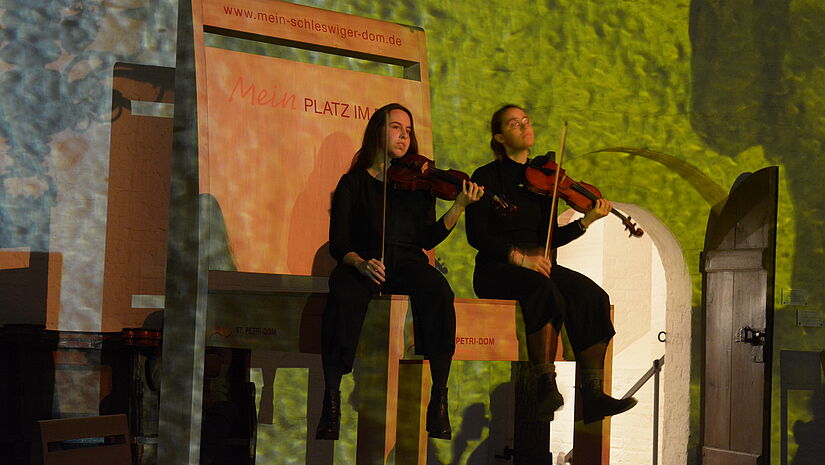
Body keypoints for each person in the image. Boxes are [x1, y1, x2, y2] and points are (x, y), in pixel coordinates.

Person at [315, 103, 483, 440]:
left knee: (438, 290)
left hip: (406, 263)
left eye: (408, 131)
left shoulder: (419, 185)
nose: (404, 136)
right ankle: (331, 398)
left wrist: (458, 207)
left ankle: (439, 397)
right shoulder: (353, 182)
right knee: (344, 292)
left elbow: (428, 237)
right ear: (378, 130)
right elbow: (338, 242)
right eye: (396, 128)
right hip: (363, 262)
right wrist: (360, 263)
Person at [465, 104, 637, 423]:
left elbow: (551, 238)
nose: (524, 126)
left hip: (540, 265)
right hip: (497, 268)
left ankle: (594, 395)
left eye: (526, 121)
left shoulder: (545, 179)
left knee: (592, 296)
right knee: (543, 287)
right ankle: (546, 384)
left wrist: (586, 221)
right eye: (515, 124)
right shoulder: (485, 177)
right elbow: (477, 236)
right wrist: (519, 258)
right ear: (500, 137)